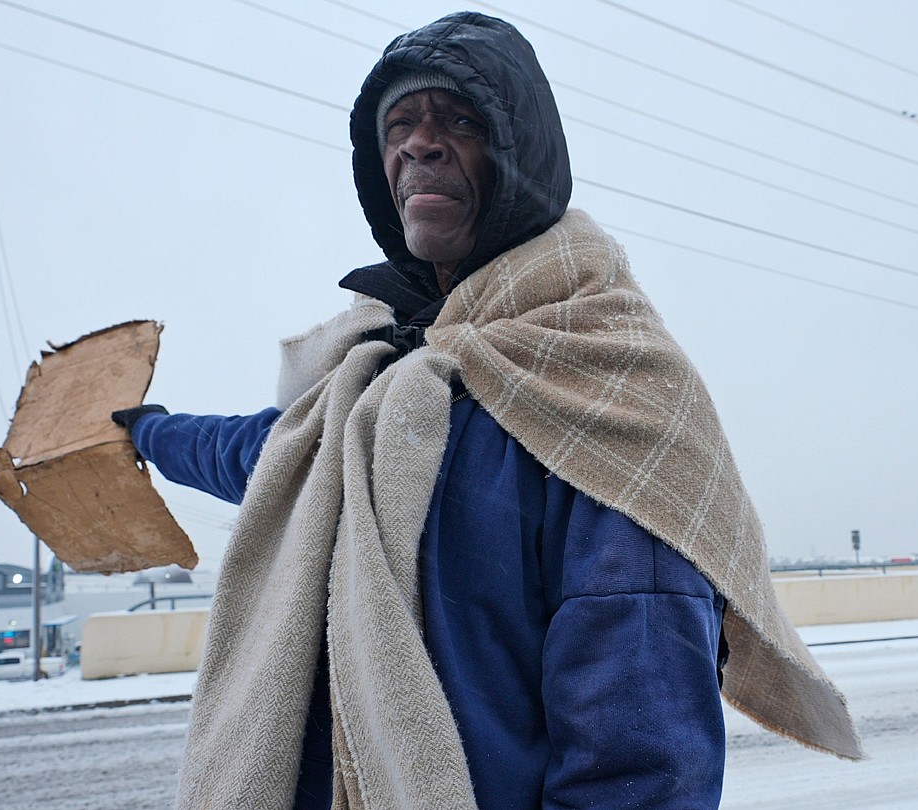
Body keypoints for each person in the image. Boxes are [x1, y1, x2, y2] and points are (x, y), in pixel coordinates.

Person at [112, 12, 861, 809]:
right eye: (399, 125)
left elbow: (639, 754)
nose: (419, 144)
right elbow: (267, 458)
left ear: (518, 155)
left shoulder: (611, 391)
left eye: (459, 121)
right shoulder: (373, 381)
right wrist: (149, 431)